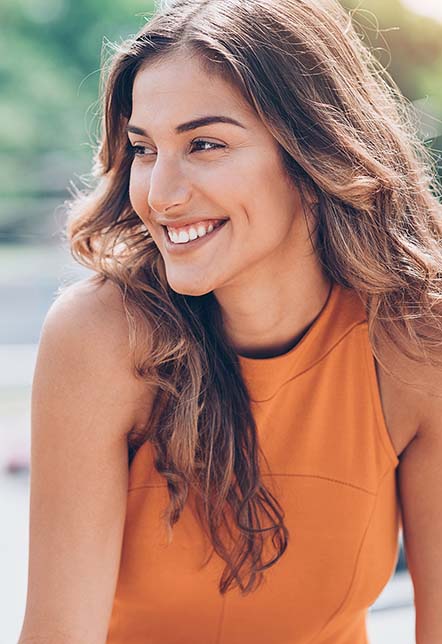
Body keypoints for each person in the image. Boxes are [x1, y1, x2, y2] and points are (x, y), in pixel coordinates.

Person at [19, 0, 442, 642]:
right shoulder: (99, 339)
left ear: (312, 154)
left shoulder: (415, 340)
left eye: (205, 144)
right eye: (143, 149)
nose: (161, 193)